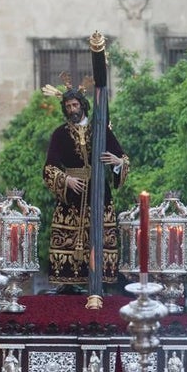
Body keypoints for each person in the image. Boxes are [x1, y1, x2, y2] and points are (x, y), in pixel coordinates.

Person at [42, 82, 128, 289]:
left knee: (99, 236)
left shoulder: (100, 130)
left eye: (75, 105)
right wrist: (66, 180)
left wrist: (118, 163)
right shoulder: (60, 134)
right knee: (69, 238)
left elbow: (123, 157)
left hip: (99, 193)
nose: (72, 110)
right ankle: (69, 284)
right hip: (71, 197)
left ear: (83, 105)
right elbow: (49, 168)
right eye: (68, 106)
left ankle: (100, 284)